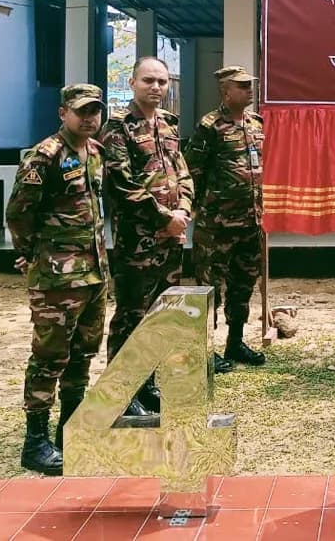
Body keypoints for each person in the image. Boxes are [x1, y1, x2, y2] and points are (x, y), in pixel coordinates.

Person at [99, 57, 230, 418]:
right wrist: (164, 217)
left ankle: (148, 384)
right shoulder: (117, 129)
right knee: (131, 316)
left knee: (160, 315)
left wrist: (184, 209)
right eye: (148, 81)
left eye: (161, 81)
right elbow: (122, 185)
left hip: (171, 237)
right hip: (138, 239)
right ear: (132, 83)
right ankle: (123, 394)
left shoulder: (169, 126)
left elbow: (183, 174)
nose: (155, 87)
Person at [5, 83, 111, 475]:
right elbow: (19, 213)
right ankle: (35, 442)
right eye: (81, 111)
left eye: (95, 111)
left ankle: (72, 428)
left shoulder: (95, 153)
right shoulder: (44, 157)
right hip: (56, 278)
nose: (89, 118)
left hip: (94, 273)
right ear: (62, 113)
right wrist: (32, 253)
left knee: (83, 354)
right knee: (49, 357)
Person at [184, 65, 267, 367]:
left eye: (250, 85)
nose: (249, 90)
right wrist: (198, 210)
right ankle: (206, 351)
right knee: (210, 289)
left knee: (242, 286)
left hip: (250, 223)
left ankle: (235, 343)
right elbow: (193, 171)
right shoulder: (209, 126)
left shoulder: (256, 124)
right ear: (225, 91)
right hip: (217, 225)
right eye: (242, 86)